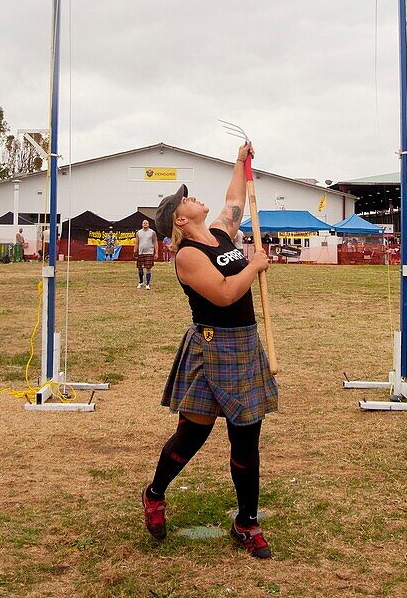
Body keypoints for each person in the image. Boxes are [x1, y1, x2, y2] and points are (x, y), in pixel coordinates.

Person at [141, 142, 277, 559]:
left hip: (244, 346)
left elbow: (234, 201)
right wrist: (253, 266)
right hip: (210, 348)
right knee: (192, 434)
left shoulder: (220, 234)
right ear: (181, 219)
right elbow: (221, 295)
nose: (194, 197)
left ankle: (246, 522)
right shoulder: (187, 255)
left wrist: (240, 162)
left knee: (246, 439)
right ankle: (154, 494)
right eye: (187, 199)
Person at [134, 219, 158, 290]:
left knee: (148, 268)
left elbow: (155, 242)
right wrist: (135, 251)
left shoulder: (152, 232)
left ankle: (147, 284)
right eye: (144, 223)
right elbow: (137, 243)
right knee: (140, 268)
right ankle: (141, 282)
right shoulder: (138, 233)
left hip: (149, 252)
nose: (145, 224)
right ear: (142, 224)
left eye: (146, 223)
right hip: (141, 252)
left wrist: (156, 253)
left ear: (148, 224)